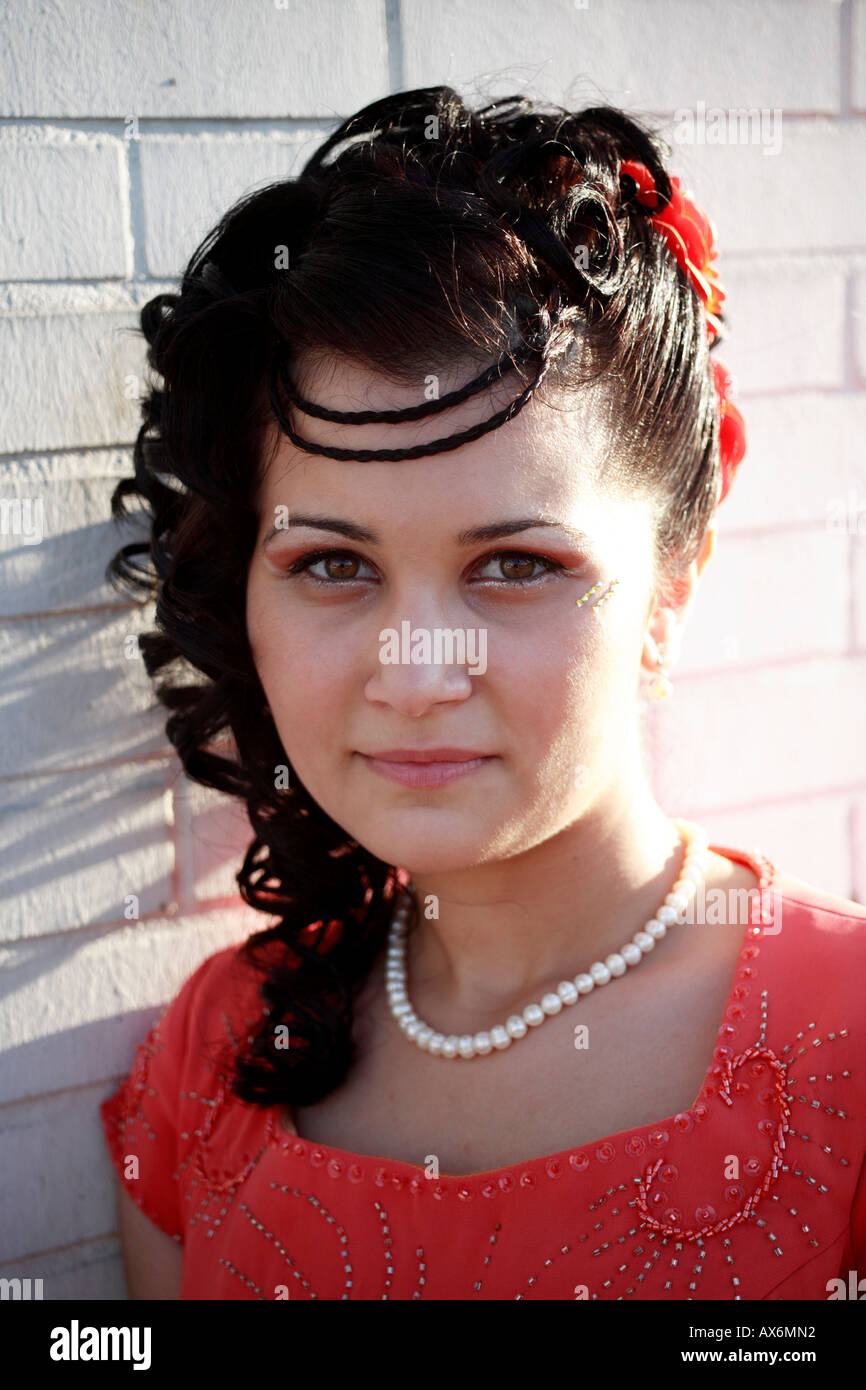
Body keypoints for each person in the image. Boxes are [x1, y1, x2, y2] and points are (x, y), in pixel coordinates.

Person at [100, 85, 866, 1301]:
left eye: (515, 565)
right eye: (331, 564)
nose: (413, 671)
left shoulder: (851, 1047)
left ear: (671, 585)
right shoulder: (214, 1051)